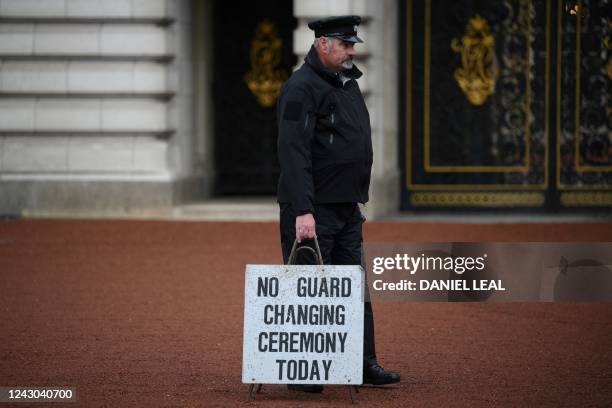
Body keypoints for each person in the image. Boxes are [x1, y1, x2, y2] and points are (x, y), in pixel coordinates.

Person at [276, 15, 400, 393]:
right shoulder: (299, 89)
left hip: (346, 207)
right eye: (345, 44)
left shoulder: (346, 82)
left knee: (354, 290)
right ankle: (306, 372)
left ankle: (363, 363)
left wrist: (354, 199)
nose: (351, 51)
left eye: (353, 44)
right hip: (314, 210)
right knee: (310, 292)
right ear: (323, 44)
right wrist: (303, 210)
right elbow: (293, 152)